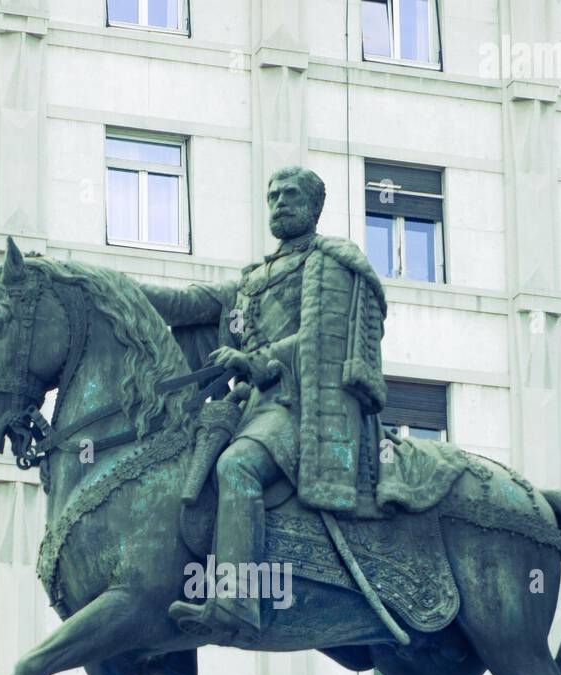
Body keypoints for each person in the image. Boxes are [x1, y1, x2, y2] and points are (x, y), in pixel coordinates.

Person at [140, 166, 388, 645]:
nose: (279, 202)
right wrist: (110, 288)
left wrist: (255, 358)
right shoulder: (251, 280)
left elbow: (323, 340)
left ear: (315, 206)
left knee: (237, 468)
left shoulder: (332, 262)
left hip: (304, 407)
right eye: (272, 195)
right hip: (250, 408)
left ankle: (235, 600)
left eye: (290, 195)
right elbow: (184, 304)